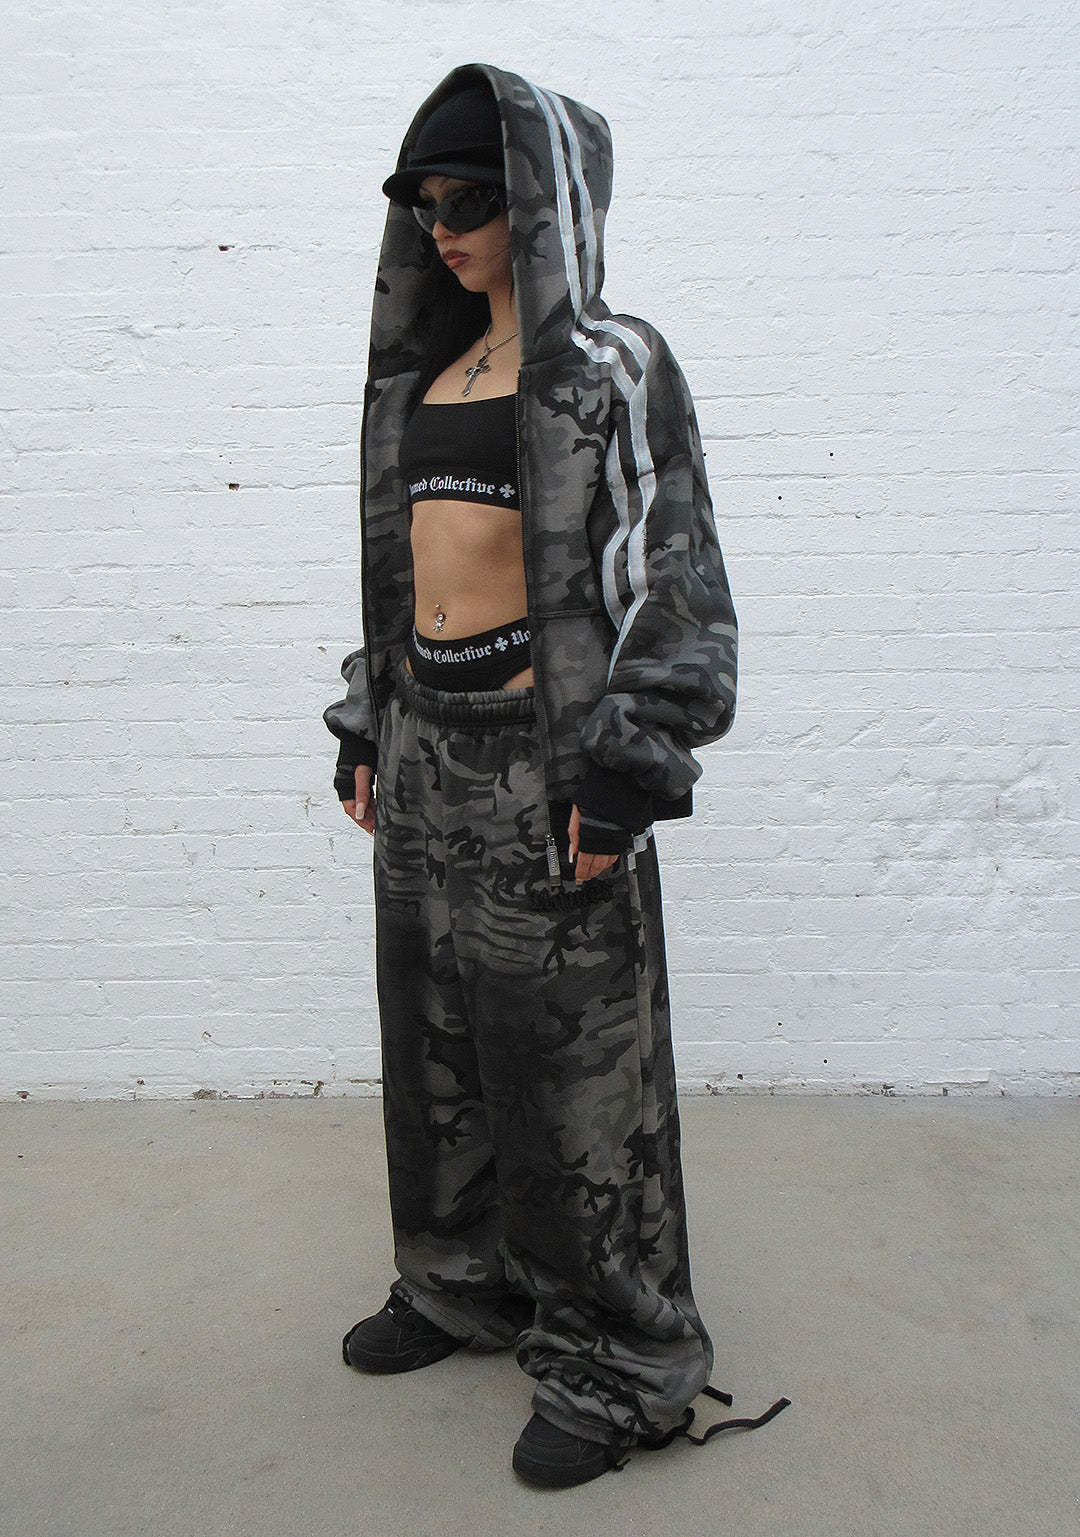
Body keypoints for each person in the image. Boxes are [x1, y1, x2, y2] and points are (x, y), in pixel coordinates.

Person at [323, 63, 789, 1489]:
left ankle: (619, 1358)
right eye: (425, 202)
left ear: (541, 202)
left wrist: (628, 769)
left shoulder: (610, 368)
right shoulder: (431, 370)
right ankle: (463, 1282)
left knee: (578, 1079)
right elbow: (407, 571)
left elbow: (673, 575)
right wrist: (367, 718)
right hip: (427, 755)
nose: (445, 227)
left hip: (544, 764)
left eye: (471, 199)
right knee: (439, 1047)